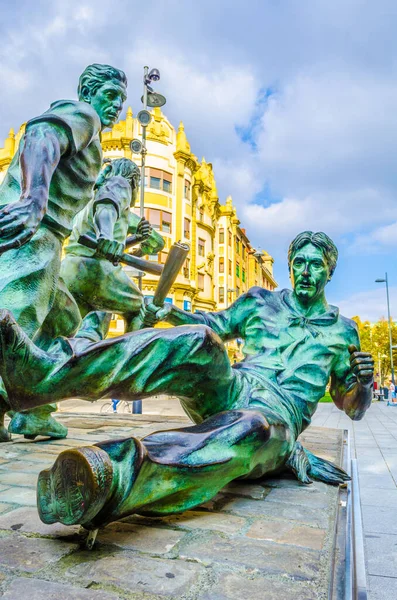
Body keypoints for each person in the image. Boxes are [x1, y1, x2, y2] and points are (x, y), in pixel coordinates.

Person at [0, 231, 374, 530]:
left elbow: (350, 406)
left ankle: (110, 477)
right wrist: (171, 312)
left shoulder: (343, 333)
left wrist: (363, 385)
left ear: (329, 271)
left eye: (316, 265)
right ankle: (41, 379)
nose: (306, 271)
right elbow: (218, 325)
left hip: (277, 417)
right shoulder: (261, 300)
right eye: (299, 263)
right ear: (291, 268)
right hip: (235, 386)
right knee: (201, 341)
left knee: (251, 426)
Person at [0, 63, 128, 441]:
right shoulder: (82, 114)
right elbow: (41, 135)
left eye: (121, 100)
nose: (116, 105)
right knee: (16, 319)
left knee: (64, 319)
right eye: (110, 95)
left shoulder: (93, 142)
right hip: (33, 232)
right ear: (89, 93)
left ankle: (35, 410)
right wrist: (34, 196)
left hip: (50, 242)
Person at [60, 157, 165, 333]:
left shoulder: (90, 198)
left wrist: (137, 239)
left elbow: (109, 247)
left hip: (70, 272)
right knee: (140, 309)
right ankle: (131, 359)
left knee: (87, 326)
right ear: (134, 180)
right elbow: (107, 207)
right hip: (96, 272)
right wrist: (106, 235)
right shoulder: (119, 183)